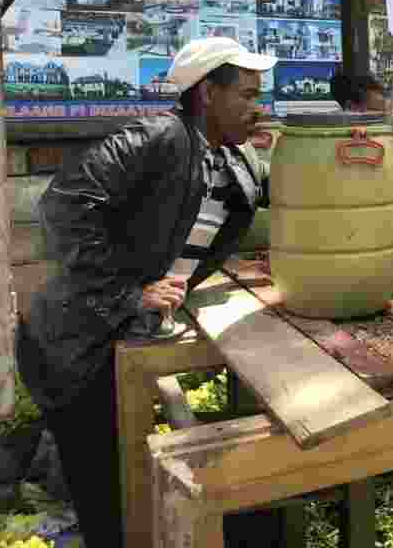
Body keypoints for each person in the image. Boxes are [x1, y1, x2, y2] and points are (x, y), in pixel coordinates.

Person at [15, 37, 276, 548]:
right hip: (78, 346)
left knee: (135, 483)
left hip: (129, 341)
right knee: (108, 501)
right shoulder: (156, 137)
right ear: (206, 94)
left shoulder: (235, 160)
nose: (257, 106)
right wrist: (128, 294)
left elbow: (294, 193)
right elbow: (62, 208)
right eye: (246, 95)